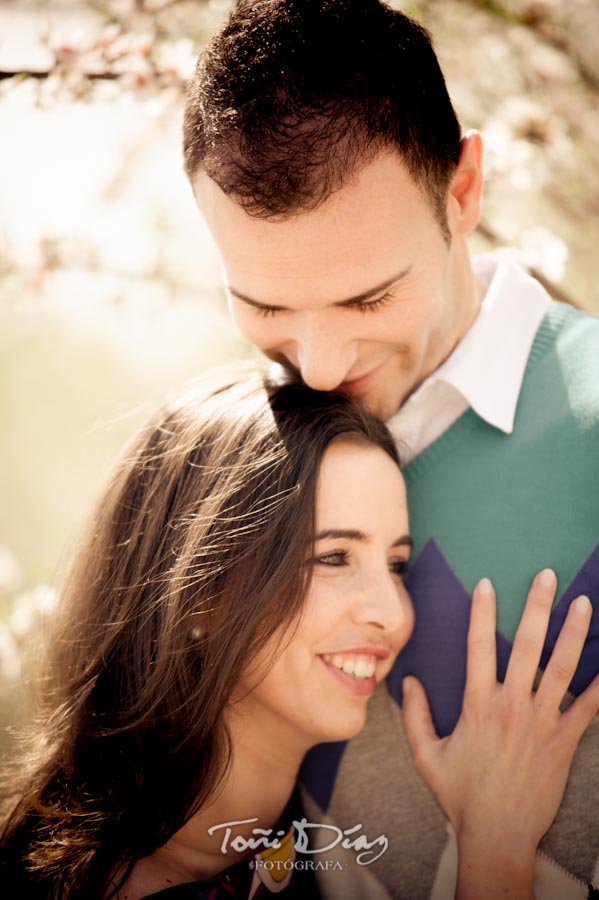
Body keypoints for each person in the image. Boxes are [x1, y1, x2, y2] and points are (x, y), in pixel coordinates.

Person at [181, 1, 599, 897]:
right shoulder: (235, 449)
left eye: (366, 299)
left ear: (462, 191)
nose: (319, 364)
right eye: (264, 308)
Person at [1, 367, 597, 900]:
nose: (392, 614)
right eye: (333, 558)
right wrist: (496, 847)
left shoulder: (309, 841)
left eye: (396, 565)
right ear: (200, 592)